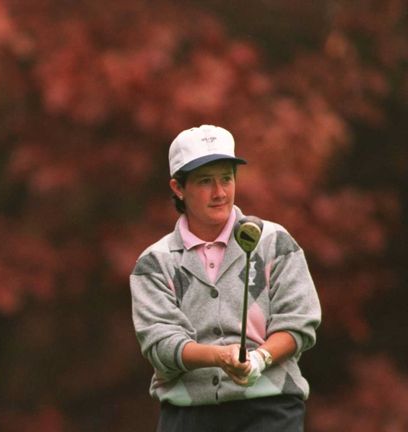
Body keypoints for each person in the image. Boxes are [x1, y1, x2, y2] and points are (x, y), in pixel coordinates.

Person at [130, 125, 321, 431]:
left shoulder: (275, 242)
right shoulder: (154, 263)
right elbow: (162, 345)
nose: (219, 193)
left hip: (271, 410)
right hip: (188, 414)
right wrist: (220, 357)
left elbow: (299, 322)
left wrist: (259, 359)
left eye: (226, 179)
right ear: (178, 187)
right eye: (205, 181)